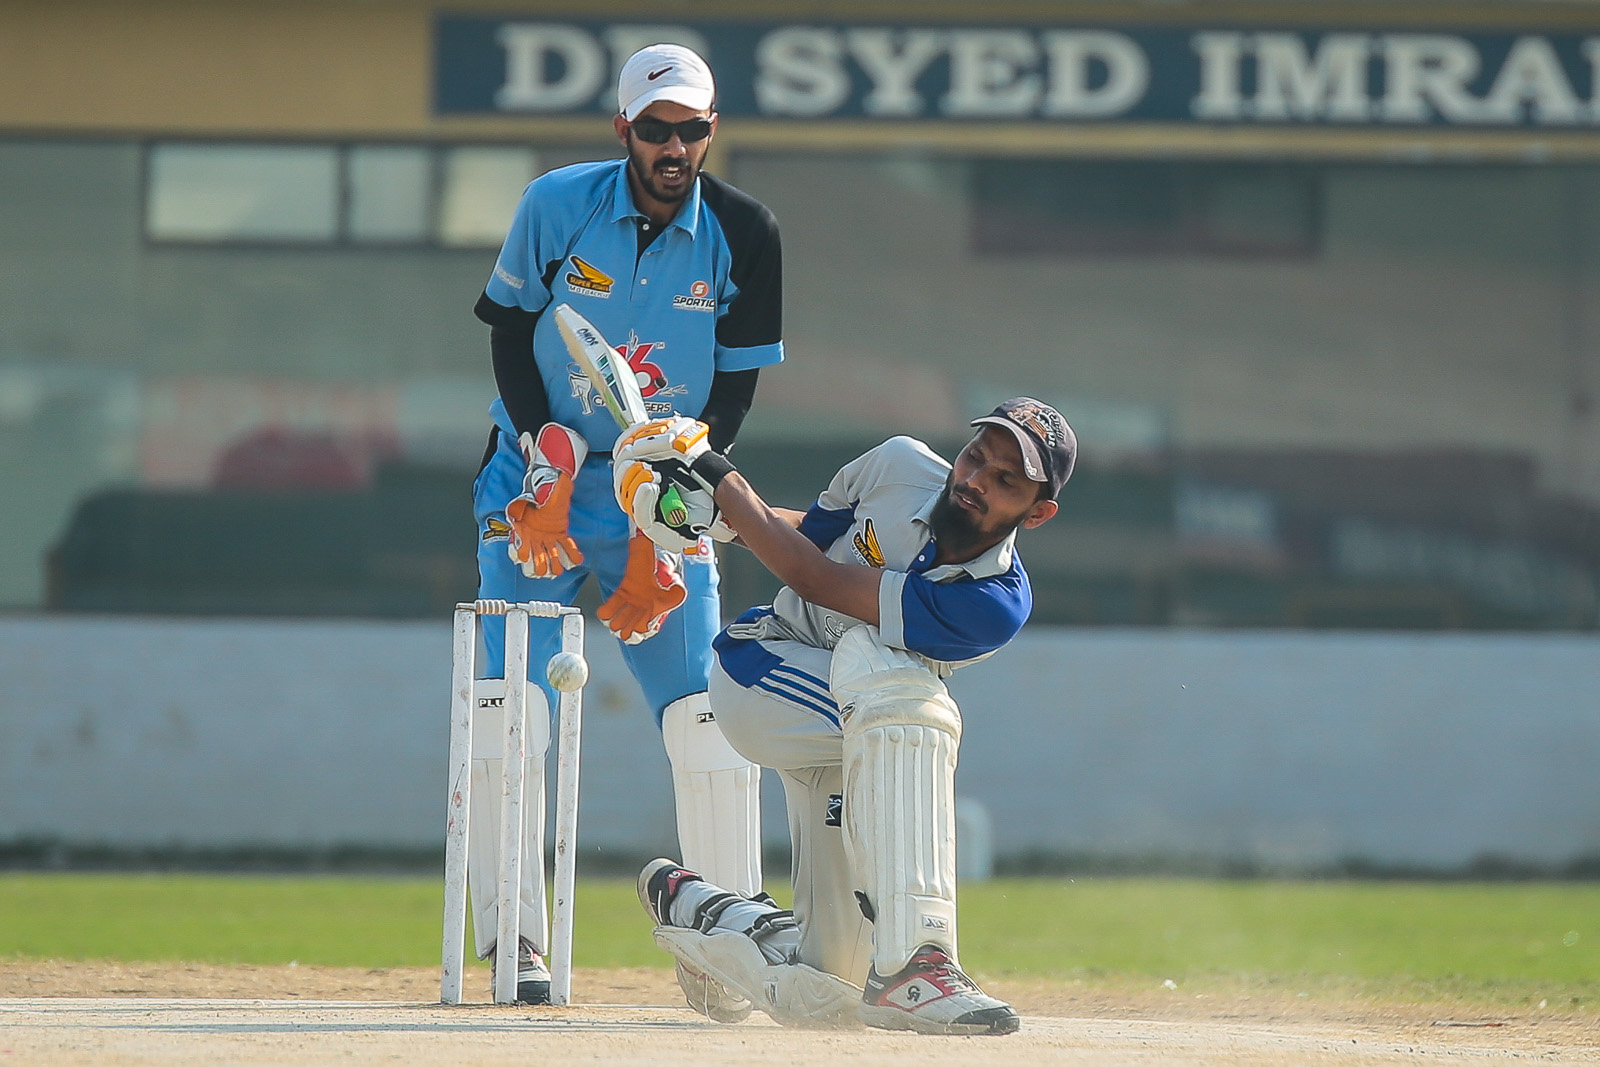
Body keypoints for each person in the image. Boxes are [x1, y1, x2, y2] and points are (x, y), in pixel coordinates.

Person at [467, 42, 783, 1007]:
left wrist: (674, 492)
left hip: (661, 486)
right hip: (540, 479)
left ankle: (727, 948)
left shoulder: (746, 233)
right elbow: (510, 331)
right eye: (655, 129)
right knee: (512, 708)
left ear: (711, 132)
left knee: (706, 716)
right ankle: (515, 938)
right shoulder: (556, 204)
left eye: (691, 130)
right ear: (624, 130)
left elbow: (736, 383)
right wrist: (541, 450)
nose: (673, 148)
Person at [611, 397, 1076, 1035]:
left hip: (850, 731)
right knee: (910, 703)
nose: (975, 480)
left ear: (1038, 512)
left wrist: (716, 476)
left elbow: (820, 580)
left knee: (828, 995)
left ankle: (705, 913)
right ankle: (916, 963)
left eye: (1006, 481)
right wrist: (711, 515)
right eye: (976, 457)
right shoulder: (897, 464)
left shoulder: (991, 602)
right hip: (766, 671)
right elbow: (812, 537)